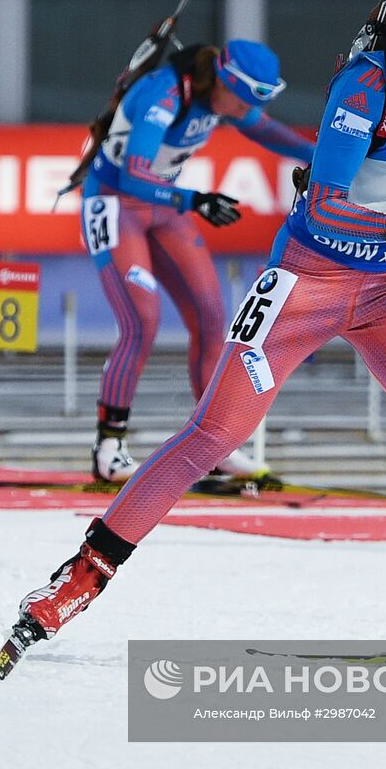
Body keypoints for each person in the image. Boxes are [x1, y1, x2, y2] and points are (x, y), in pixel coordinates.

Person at [15, 0, 386, 655]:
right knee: (213, 436)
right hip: (311, 280)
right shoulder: (369, 86)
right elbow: (326, 209)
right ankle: (76, 579)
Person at [82, 38, 315, 483]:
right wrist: (194, 199)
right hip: (115, 203)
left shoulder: (223, 97)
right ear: (225, 83)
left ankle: (215, 446)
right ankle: (108, 447)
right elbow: (134, 175)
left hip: (162, 208)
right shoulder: (165, 93)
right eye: (243, 99)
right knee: (141, 321)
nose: (244, 109)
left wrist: (325, 156)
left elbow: (267, 130)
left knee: (212, 317)